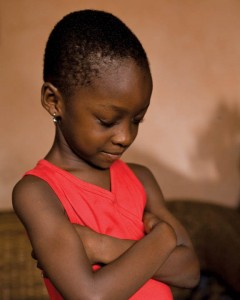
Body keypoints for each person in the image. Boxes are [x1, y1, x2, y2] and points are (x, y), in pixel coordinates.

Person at [12, 9, 200, 299]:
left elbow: (189, 270)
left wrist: (101, 246)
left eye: (137, 120)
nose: (125, 137)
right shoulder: (38, 192)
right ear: (54, 101)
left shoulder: (141, 178)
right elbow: (91, 295)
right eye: (107, 121)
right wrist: (163, 238)